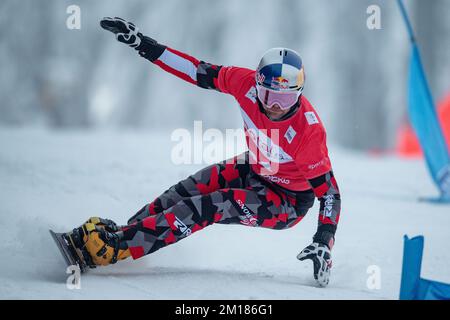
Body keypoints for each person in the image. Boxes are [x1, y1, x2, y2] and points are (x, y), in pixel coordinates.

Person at [65, 17, 341, 287]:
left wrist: (323, 240)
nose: (276, 107)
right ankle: (128, 235)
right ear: (256, 86)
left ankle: (115, 248)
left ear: (299, 94)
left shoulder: (308, 131)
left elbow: (329, 193)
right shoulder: (243, 83)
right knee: (182, 193)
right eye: (269, 96)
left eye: (286, 98)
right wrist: (144, 45)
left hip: (286, 201)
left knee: (208, 206)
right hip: (256, 166)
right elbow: (196, 70)